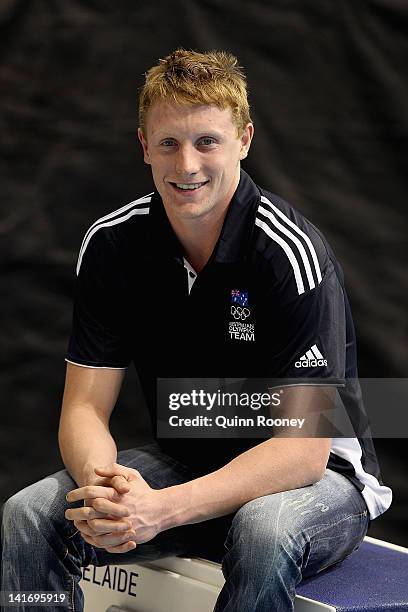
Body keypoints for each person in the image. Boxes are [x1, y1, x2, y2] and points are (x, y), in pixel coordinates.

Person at [1, 49, 392, 612]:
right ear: (143, 147)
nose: (186, 166)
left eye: (206, 141)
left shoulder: (288, 253)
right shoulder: (113, 245)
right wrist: (108, 487)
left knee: (265, 530)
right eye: (168, 143)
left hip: (316, 475)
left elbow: (303, 451)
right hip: (191, 462)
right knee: (31, 514)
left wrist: (162, 508)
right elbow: (84, 408)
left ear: (245, 140)